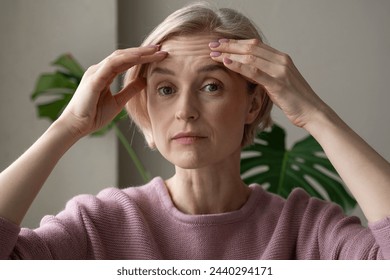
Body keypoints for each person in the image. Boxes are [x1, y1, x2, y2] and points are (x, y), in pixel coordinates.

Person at [1, 2, 390, 260]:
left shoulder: (305, 229)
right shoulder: (100, 223)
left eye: (211, 87)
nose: (185, 111)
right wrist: (68, 127)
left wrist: (315, 114)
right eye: (166, 90)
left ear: (253, 104)